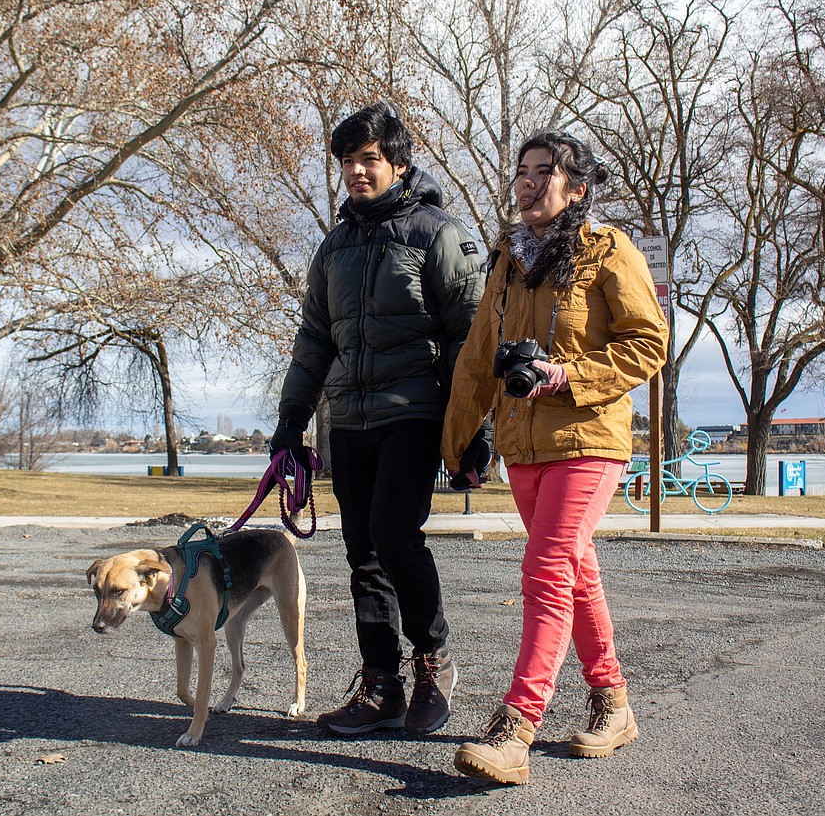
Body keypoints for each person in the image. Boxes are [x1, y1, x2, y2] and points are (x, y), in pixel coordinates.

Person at [441, 131, 668, 784]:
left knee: (545, 567)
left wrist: (567, 375)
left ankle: (517, 723)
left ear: (577, 187)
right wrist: (458, 441)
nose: (530, 183)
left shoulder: (607, 249)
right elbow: (478, 360)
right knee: (575, 571)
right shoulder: (508, 261)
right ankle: (613, 703)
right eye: (523, 172)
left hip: (590, 435)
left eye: (546, 173)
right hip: (523, 445)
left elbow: (648, 342)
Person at [271, 102, 487, 737]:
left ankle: (433, 663)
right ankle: (380, 685)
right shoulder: (333, 247)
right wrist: (291, 424)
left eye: (369, 160)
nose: (357, 173)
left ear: (398, 162)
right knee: (362, 553)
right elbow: (314, 340)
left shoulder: (437, 234)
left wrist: (474, 429)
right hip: (350, 421)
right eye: (347, 162)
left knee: (395, 537)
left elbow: (468, 339)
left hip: (414, 413)